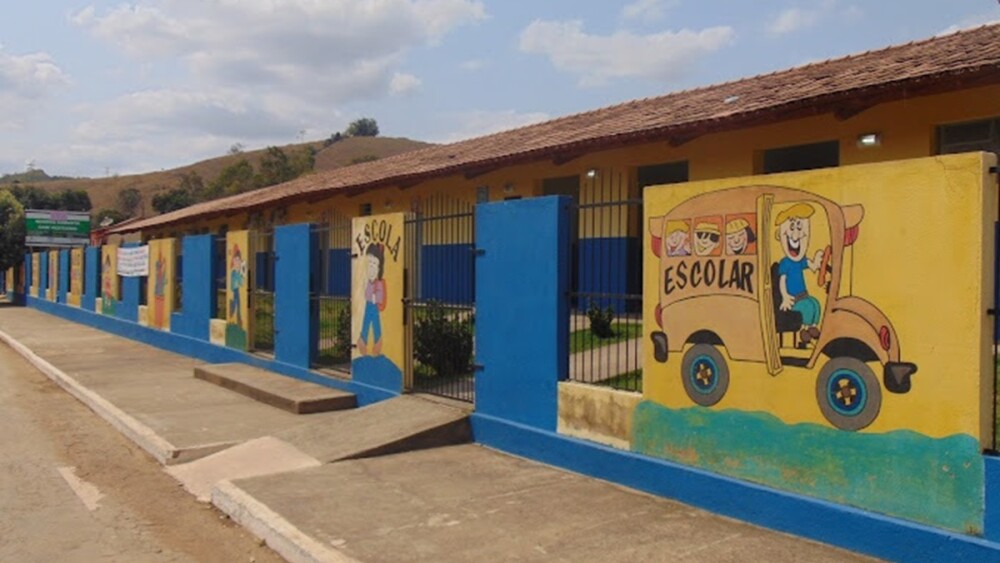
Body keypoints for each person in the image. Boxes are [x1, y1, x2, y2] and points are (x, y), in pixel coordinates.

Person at [775, 203, 824, 346]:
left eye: (799, 227)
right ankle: (804, 330)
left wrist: (818, 259)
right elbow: (782, 280)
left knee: (815, 304)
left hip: (804, 294)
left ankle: (812, 327)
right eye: (791, 228)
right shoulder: (785, 263)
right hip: (794, 299)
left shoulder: (800, 260)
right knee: (807, 308)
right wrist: (784, 297)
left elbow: (812, 266)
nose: (796, 235)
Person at [358, 243, 386, 356]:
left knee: (376, 323)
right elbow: (365, 294)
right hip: (368, 305)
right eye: (369, 263)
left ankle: (377, 341)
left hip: (374, 306)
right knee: (366, 321)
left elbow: (380, 296)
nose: (371, 268)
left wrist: (375, 297)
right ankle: (363, 339)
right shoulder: (369, 282)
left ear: (379, 268)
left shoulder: (379, 283)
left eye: (374, 264)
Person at [229, 245, 245, 326]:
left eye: (238, 260)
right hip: (236, 290)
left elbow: (241, 283)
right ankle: (236, 318)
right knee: (237, 304)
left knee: (237, 304)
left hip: (237, 290)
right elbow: (239, 282)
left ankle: (238, 319)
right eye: (235, 260)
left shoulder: (237, 272)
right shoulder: (234, 273)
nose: (237, 262)